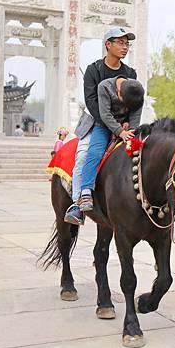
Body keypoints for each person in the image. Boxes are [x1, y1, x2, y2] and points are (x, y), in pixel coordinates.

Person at [64, 26, 137, 224]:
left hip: (124, 124)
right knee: (84, 155)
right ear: (108, 45)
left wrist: (128, 124)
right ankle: (78, 203)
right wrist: (113, 127)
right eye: (120, 43)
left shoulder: (130, 73)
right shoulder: (94, 70)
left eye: (127, 43)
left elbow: (134, 101)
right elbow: (92, 103)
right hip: (96, 121)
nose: (125, 47)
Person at [77, 76, 144, 212]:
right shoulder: (104, 87)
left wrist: (131, 130)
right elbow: (105, 114)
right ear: (118, 92)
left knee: (138, 150)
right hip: (103, 125)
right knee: (94, 153)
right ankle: (85, 191)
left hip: (126, 126)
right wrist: (120, 132)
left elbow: (136, 117)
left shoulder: (137, 92)